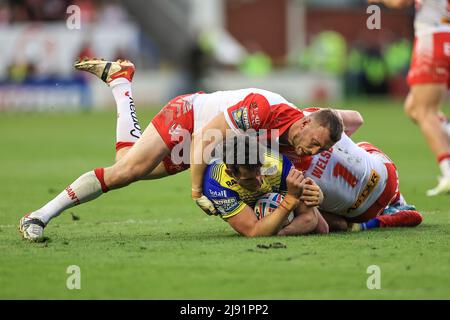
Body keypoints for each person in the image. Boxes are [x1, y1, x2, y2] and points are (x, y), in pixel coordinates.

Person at [19, 57, 357, 241]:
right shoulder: (263, 109)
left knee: (127, 163)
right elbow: (204, 139)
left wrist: (336, 134)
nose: (313, 151)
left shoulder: (308, 127)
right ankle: (38, 216)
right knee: (125, 172)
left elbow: (354, 118)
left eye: (320, 148)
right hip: (191, 119)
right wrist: (197, 191)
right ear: (304, 124)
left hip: (211, 148)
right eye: (314, 143)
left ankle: (120, 81)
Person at [369, 0, 450, 196]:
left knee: (425, 111)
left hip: (433, 36)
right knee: (413, 107)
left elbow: (399, 2)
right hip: (443, 33)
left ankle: (448, 171)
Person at [281, 131, 422, 235]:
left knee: (304, 204)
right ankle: (397, 199)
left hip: (361, 214)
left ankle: (367, 223)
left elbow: (321, 226)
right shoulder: (310, 117)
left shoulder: (282, 167)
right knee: (360, 146)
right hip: (387, 179)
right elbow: (356, 118)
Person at [202, 136, 329, 237]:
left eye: (260, 171)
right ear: (231, 173)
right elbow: (253, 231)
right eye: (250, 179)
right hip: (248, 210)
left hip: (277, 199)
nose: (259, 181)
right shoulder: (217, 183)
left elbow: (309, 218)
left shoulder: (277, 164)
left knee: (322, 228)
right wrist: (289, 200)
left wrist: (281, 233)